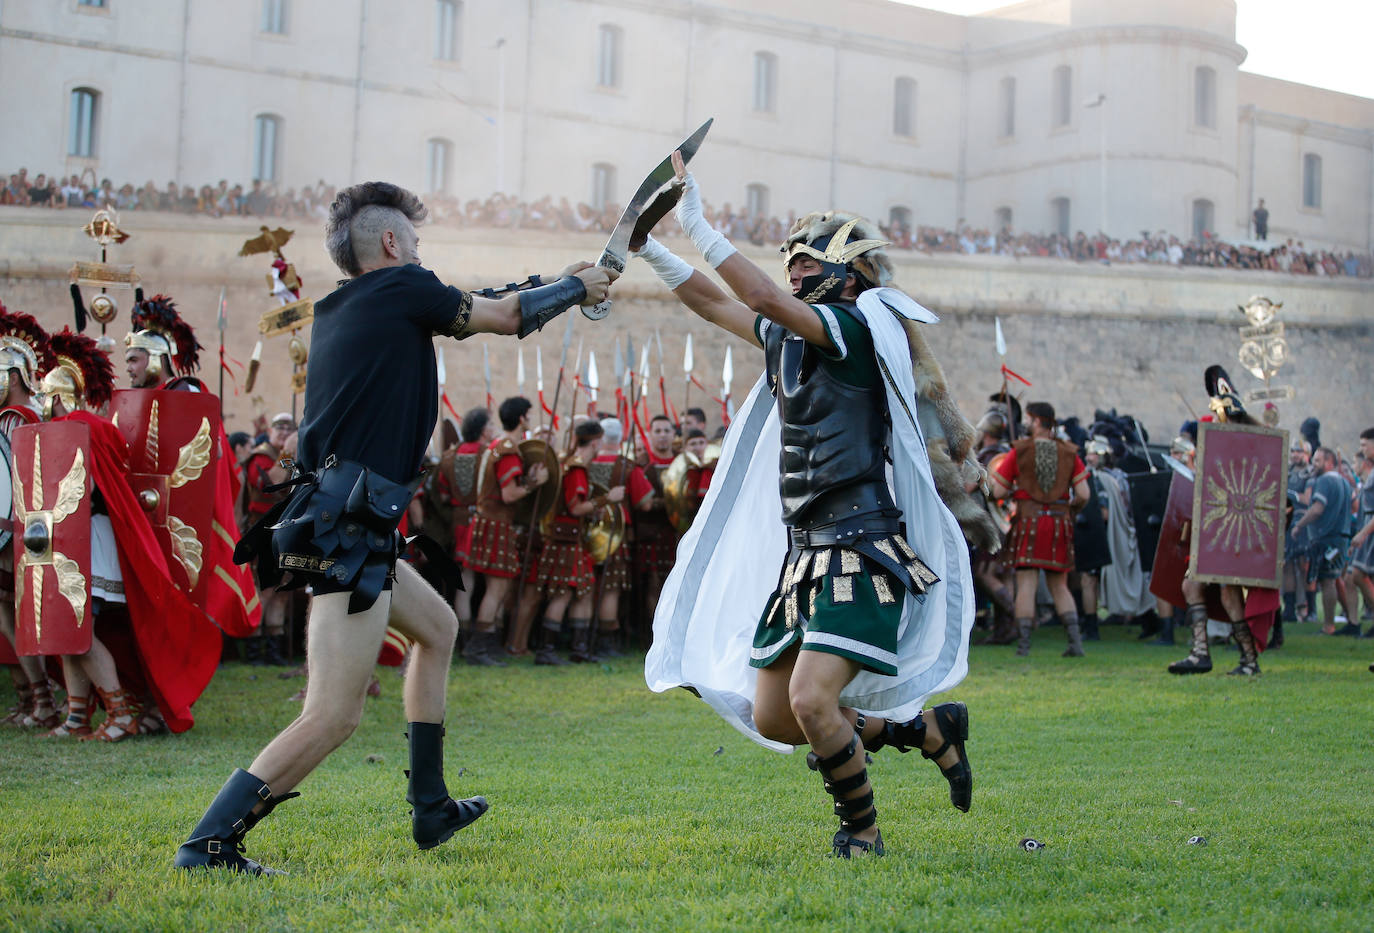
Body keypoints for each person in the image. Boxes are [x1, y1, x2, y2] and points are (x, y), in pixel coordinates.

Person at [174, 180, 615, 874]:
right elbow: (496, 315)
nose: (420, 254)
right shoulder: (405, 288)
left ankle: (431, 805)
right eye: (413, 242)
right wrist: (574, 288)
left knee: (438, 627)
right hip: (348, 530)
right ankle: (209, 841)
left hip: (345, 521)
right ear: (390, 244)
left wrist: (548, 286)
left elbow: (474, 307)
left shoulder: (355, 304)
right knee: (333, 715)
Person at [640, 155, 988, 859]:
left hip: (862, 546)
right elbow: (716, 302)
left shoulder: (856, 331)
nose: (794, 276)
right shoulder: (793, 334)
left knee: (809, 700)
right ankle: (928, 731)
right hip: (806, 551)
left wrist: (701, 227)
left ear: (848, 275)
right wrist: (647, 244)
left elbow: (764, 298)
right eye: (790, 266)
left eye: (807, 267)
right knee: (777, 716)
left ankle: (862, 831)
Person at [1168, 367, 1278, 676]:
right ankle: (1202, 653)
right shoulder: (1220, 441)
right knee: (1192, 585)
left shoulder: (1250, 446)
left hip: (1235, 531)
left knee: (1228, 593)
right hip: (1216, 527)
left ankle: (1247, 660)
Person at [988, 401, 1091, 657]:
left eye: (1031, 419)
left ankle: (1024, 646)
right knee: (1060, 585)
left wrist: (1004, 492)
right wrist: (1069, 509)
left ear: (1037, 421)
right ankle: (1075, 644)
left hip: (1029, 521)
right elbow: (1083, 494)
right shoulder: (1069, 452)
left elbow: (998, 490)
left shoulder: (1020, 451)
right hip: (1058, 523)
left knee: (1026, 585)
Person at [521, 419, 624, 664]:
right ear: (596, 441)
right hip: (564, 539)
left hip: (569, 538)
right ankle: (546, 651)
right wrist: (606, 499)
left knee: (582, 593)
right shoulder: (576, 468)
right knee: (563, 595)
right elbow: (575, 508)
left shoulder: (569, 464)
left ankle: (579, 648)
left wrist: (594, 509)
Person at [0, 305, 58, 729]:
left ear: (14, 376)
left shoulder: (23, 420)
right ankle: (28, 698)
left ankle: (42, 701)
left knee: (16, 616)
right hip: (12, 535)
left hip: (20, 535)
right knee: (5, 616)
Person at [464, 396, 548, 664]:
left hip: (490, 522)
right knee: (496, 589)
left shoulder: (498, 445)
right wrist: (535, 485)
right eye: (529, 415)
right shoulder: (509, 448)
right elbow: (510, 494)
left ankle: (486, 644)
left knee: (495, 588)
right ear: (522, 418)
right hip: (495, 524)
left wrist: (531, 478)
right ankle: (478, 648)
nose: (530, 419)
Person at [239, 413, 299, 665]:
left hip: (284, 532)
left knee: (281, 591)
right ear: (271, 431)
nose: (284, 431)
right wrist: (287, 453)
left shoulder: (293, 458)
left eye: (290, 428)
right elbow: (271, 483)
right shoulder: (260, 456)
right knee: (263, 591)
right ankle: (255, 649)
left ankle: (274, 648)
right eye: (280, 427)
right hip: (261, 531)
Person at [1292, 446, 1357, 636]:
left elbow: (1317, 508)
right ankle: (1351, 620)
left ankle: (1328, 626)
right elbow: (1354, 505)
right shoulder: (1344, 482)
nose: (1314, 464)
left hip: (1328, 538)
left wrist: (1299, 525)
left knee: (1327, 581)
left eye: (1318, 460)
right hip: (1341, 536)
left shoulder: (1324, 481)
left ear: (1329, 462)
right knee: (1335, 578)